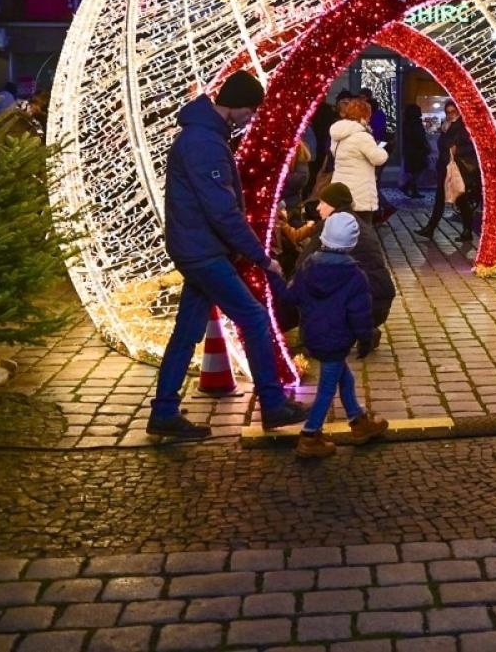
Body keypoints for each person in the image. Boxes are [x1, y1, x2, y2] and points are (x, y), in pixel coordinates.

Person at [149, 70, 308, 440]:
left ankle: (164, 412)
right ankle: (272, 405)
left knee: (186, 332)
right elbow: (223, 210)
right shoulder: (204, 142)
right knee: (253, 318)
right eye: (251, 110)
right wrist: (260, 256)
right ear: (234, 105)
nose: (251, 117)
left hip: (197, 247)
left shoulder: (204, 136)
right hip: (203, 252)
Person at [278, 213, 390, 459]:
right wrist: (365, 338)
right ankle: (310, 435)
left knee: (344, 379)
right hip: (337, 341)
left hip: (313, 337)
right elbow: (360, 314)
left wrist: (276, 279)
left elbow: (291, 297)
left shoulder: (308, 268)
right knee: (327, 388)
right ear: (352, 243)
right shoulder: (354, 277)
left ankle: (358, 421)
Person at [296, 182, 396, 346]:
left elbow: (302, 265)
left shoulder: (331, 226)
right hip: (381, 300)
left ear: (334, 205)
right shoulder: (360, 223)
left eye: (323, 203)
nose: (318, 208)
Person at [329, 96, 387, 223]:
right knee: (363, 231)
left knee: (343, 228)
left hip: (340, 189)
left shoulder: (338, 134)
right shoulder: (361, 136)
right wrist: (382, 150)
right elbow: (378, 158)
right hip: (359, 192)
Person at [418, 100, 470, 238]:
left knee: (459, 197)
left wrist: (456, 148)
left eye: (453, 112)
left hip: (455, 167)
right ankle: (431, 227)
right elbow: (442, 144)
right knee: (442, 197)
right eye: (448, 112)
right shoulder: (446, 125)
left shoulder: (462, 126)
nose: (450, 115)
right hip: (445, 165)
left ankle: (467, 230)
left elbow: (465, 145)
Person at [400, 103, 430, 196]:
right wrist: (425, 146)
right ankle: (408, 186)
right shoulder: (416, 123)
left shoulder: (406, 123)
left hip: (410, 150)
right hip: (417, 150)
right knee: (419, 168)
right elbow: (419, 136)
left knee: (414, 170)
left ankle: (412, 189)